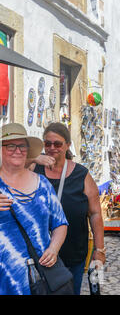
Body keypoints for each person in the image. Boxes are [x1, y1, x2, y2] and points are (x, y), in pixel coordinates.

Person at [0, 123, 68, 295]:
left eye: (22, 146)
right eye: (11, 145)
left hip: (36, 279)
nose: (17, 150)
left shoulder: (43, 184)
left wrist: (54, 249)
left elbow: (60, 223)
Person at [27, 122, 105, 295]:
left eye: (58, 144)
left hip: (72, 251)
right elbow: (8, 168)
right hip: (39, 251)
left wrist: (99, 250)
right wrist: (32, 158)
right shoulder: (34, 168)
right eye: (47, 144)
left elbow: (95, 214)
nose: (52, 148)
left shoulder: (81, 174)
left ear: (68, 145)